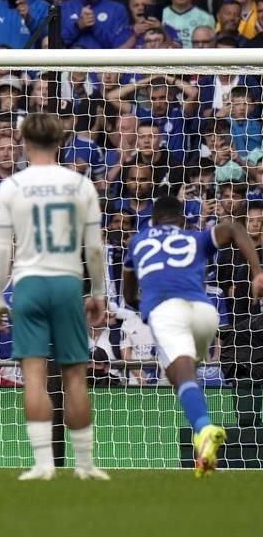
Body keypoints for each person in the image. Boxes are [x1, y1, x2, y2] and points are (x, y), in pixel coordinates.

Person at [0, 112, 109, 481]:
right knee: (74, 377)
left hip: (28, 284)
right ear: (60, 142)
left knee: (35, 378)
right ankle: (85, 465)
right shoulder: (80, 184)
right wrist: (99, 292)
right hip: (66, 282)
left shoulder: (11, 186)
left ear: (24, 142)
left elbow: (1, 249)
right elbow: (94, 248)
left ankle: (43, 465)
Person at [123, 194, 263, 477]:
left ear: (152, 221)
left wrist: (141, 304)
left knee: (181, 374)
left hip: (167, 311)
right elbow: (234, 229)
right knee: (184, 374)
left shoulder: (138, 241)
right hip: (205, 313)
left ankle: (204, 430)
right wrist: (257, 272)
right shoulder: (194, 238)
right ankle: (202, 435)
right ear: (183, 220)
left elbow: (127, 293)